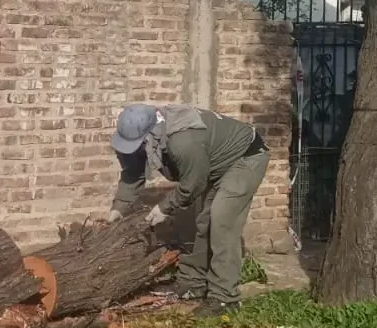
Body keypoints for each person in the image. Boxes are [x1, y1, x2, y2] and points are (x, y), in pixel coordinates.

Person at [108, 103, 269, 316]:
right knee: (203, 220)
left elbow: (193, 184)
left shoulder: (183, 140)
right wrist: (117, 210)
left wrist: (164, 208)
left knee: (221, 218)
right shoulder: (141, 138)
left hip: (245, 157)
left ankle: (225, 298)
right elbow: (132, 172)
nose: (133, 148)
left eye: (137, 144)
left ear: (151, 135)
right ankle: (193, 283)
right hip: (213, 163)